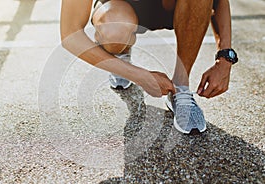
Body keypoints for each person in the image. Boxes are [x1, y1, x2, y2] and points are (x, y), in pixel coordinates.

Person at [60, 0, 238, 134]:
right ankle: (120, 55)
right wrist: (139, 75)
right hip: (122, 6)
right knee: (114, 29)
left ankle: (180, 87)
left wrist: (224, 58)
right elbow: (71, 34)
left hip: (175, 5)